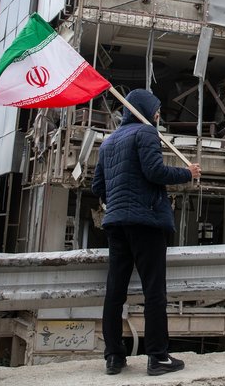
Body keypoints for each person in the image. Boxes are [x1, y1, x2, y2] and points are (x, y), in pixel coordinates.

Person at [92, 89, 201, 377]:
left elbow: (97, 186)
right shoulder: (146, 133)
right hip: (147, 222)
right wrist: (187, 173)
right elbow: (155, 172)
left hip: (116, 224)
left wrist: (116, 202)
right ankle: (157, 357)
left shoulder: (108, 142)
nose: (159, 113)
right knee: (154, 292)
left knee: (114, 294)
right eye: (157, 108)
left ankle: (114, 358)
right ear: (145, 109)